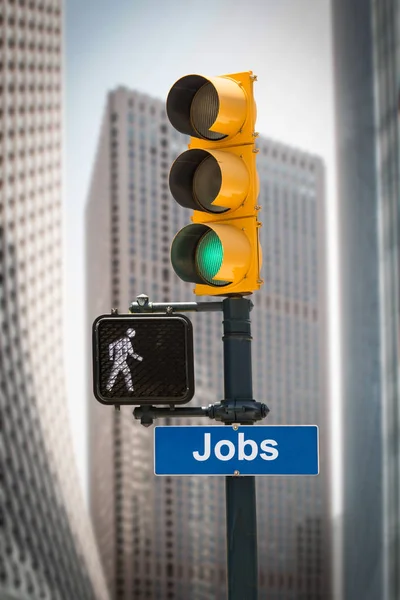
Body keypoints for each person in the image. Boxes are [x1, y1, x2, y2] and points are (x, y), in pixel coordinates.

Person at [106, 328, 143, 393]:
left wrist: (111, 357)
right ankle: (109, 389)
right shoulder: (126, 341)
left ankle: (130, 390)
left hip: (122, 362)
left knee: (124, 374)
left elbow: (111, 345)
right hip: (118, 361)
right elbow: (131, 353)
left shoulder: (121, 340)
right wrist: (139, 358)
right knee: (116, 375)